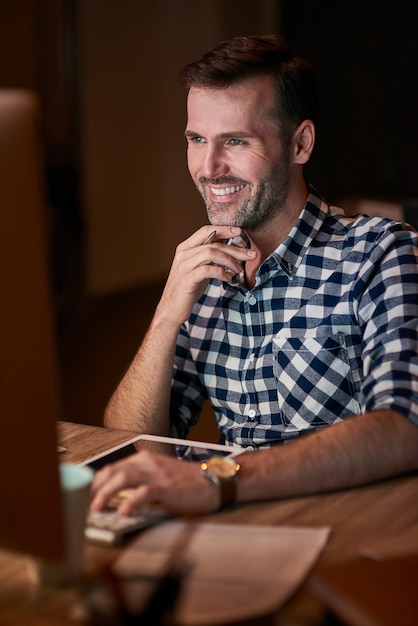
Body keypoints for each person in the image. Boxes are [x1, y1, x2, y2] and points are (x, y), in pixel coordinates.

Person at [90, 34, 418, 516]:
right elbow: (134, 447)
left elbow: (405, 427)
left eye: (236, 141)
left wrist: (221, 479)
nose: (208, 167)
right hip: (236, 529)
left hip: (348, 538)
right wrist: (164, 319)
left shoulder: (381, 252)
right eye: (196, 139)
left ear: (300, 143)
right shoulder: (202, 270)